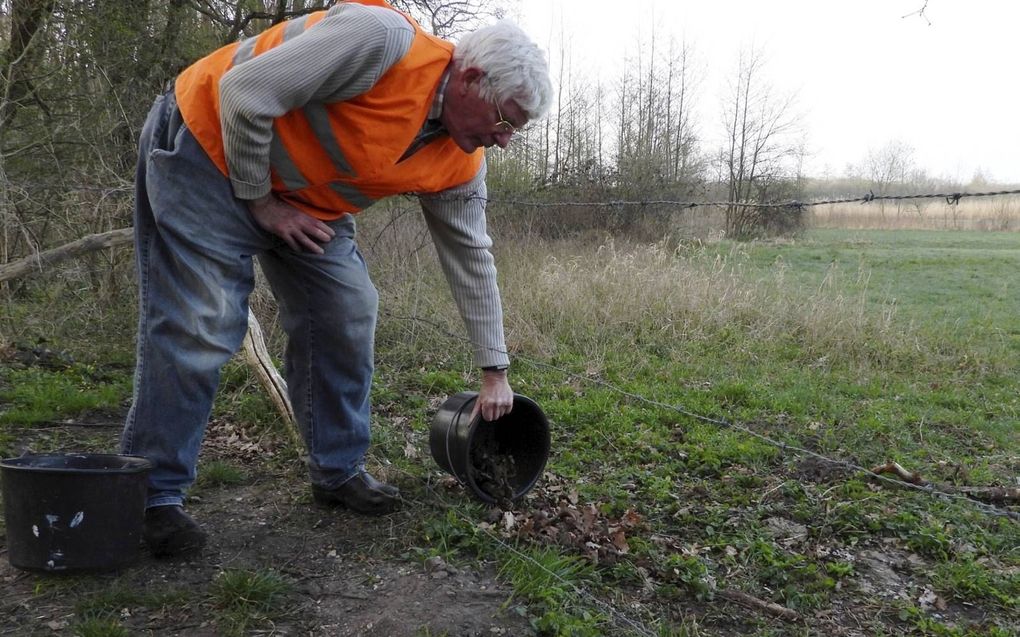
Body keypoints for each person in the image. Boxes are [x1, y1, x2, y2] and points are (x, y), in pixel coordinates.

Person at [120, 0, 553, 557]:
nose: (503, 140)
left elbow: (472, 257)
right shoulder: (379, 41)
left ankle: (338, 470)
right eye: (505, 121)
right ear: (471, 79)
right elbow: (243, 93)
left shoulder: (460, 160)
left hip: (307, 202)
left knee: (347, 311)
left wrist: (495, 370)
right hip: (208, 149)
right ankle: (153, 495)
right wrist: (262, 203)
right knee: (201, 326)